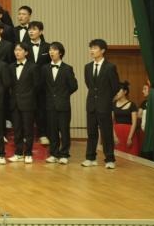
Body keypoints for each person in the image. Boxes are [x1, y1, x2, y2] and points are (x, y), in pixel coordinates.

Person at [82, 39, 119, 169]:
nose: (92, 50)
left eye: (95, 48)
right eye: (91, 48)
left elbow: (115, 87)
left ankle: (110, 159)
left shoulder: (110, 67)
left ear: (102, 50)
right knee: (91, 133)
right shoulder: (87, 67)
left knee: (106, 133)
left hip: (105, 105)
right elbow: (89, 85)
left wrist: (106, 99)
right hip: (91, 104)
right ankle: (90, 158)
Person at [43, 42, 78, 164]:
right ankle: (53, 154)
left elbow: (74, 86)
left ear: (61, 53)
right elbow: (42, 86)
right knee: (52, 131)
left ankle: (64, 154)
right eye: (50, 50)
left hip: (63, 105)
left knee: (64, 130)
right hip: (49, 105)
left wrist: (63, 95)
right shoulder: (45, 68)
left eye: (54, 49)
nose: (51, 52)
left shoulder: (67, 68)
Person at [8, 42, 38, 163]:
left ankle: (29, 153)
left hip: (28, 103)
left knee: (28, 129)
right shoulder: (11, 67)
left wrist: (28, 96)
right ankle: (18, 152)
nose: (17, 52)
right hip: (15, 103)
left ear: (26, 52)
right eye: (16, 50)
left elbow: (37, 86)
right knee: (17, 129)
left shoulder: (33, 67)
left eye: (20, 50)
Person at [112, 82, 141, 156]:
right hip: (117, 133)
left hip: (129, 133)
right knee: (118, 156)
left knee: (131, 156)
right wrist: (114, 136)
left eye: (118, 90)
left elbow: (134, 123)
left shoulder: (132, 105)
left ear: (125, 92)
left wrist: (130, 137)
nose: (116, 92)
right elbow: (110, 122)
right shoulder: (113, 104)